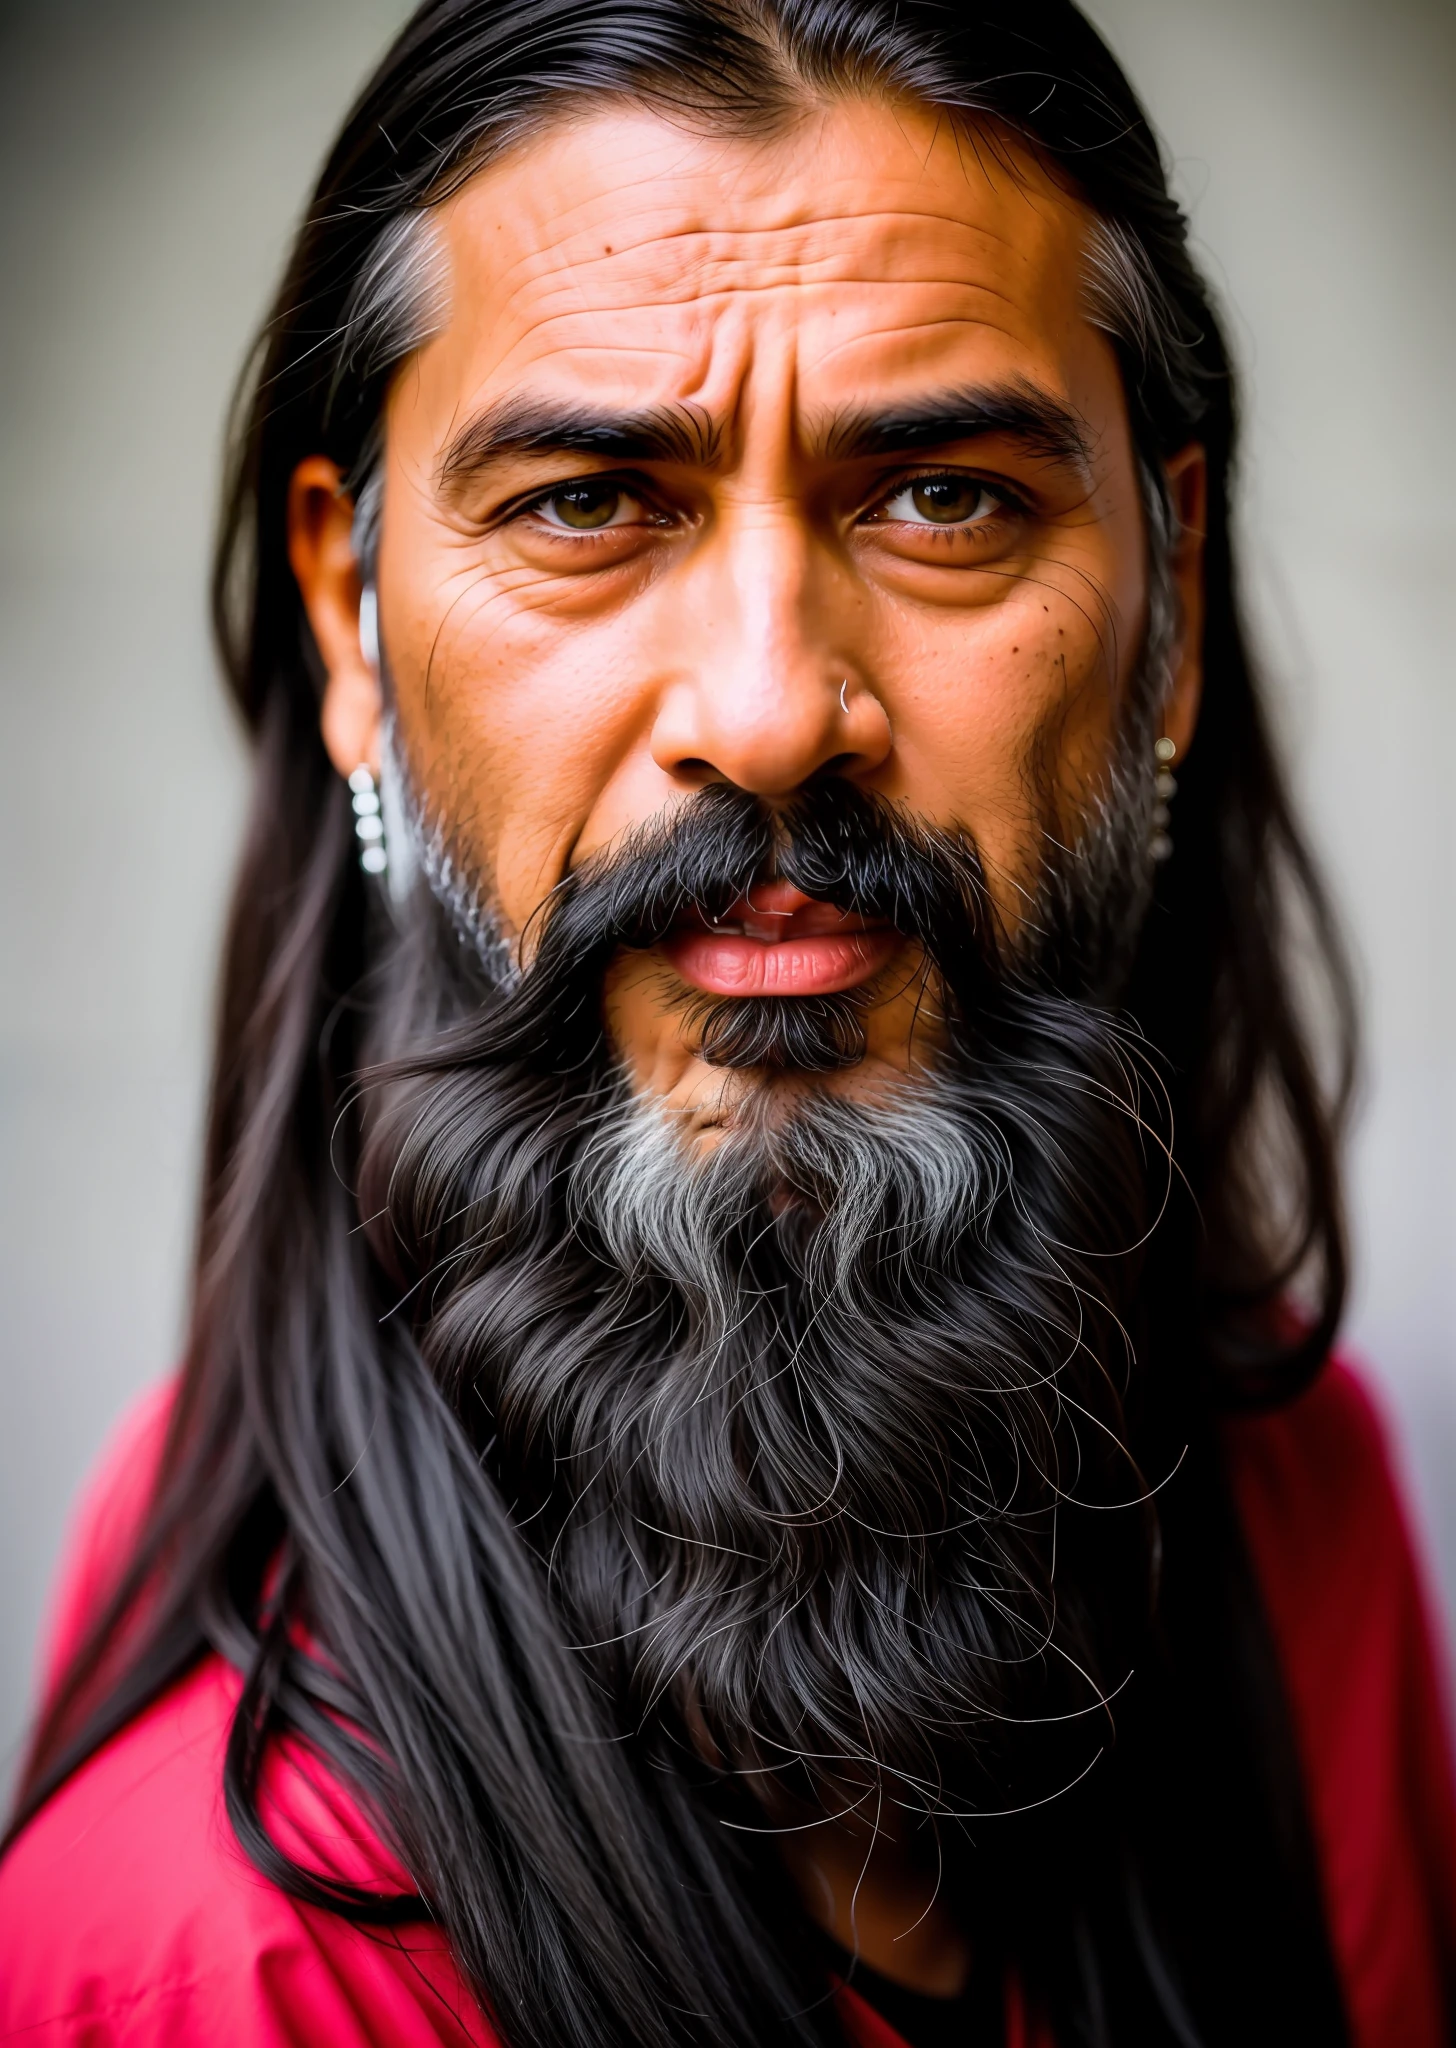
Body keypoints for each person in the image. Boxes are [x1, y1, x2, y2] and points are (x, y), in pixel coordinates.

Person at [3, 2, 1453, 2043]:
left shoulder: (1295, 1520)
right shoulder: (197, 1966)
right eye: (590, 503)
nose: (770, 708)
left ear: (1172, 596)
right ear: (351, 622)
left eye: (941, 500)